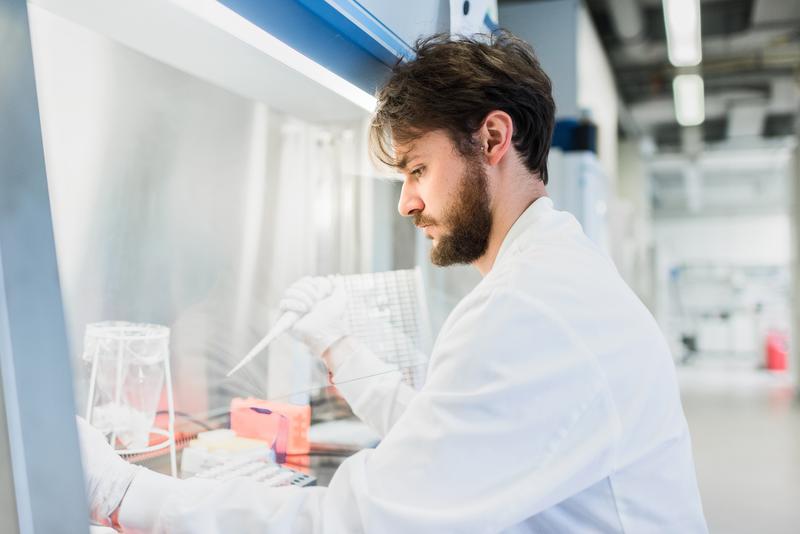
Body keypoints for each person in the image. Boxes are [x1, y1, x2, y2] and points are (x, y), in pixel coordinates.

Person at [78, 31, 708, 533]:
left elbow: (359, 523)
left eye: (417, 168)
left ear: (492, 137)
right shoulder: (552, 274)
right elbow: (449, 438)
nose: (406, 203)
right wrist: (340, 350)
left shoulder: (529, 306)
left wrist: (126, 491)